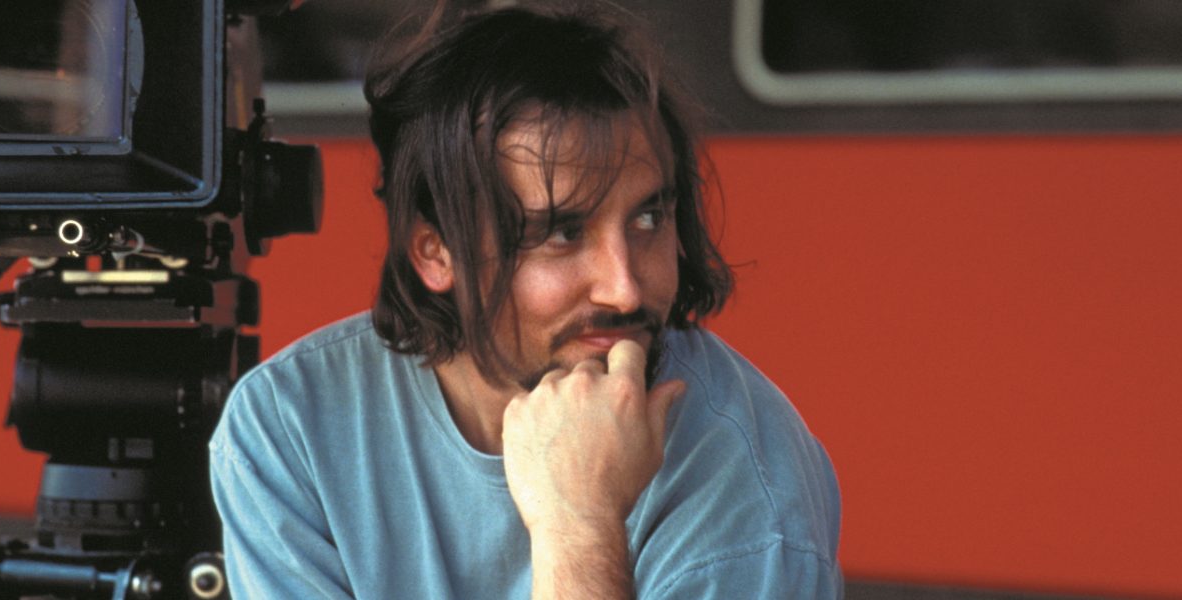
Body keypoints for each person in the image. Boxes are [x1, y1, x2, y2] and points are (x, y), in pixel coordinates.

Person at [209, 4, 842, 598]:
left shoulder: (746, 481)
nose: (625, 287)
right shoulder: (291, 426)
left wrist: (579, 525)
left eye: (649, 218)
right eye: (562, 234)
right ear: (436, 253)